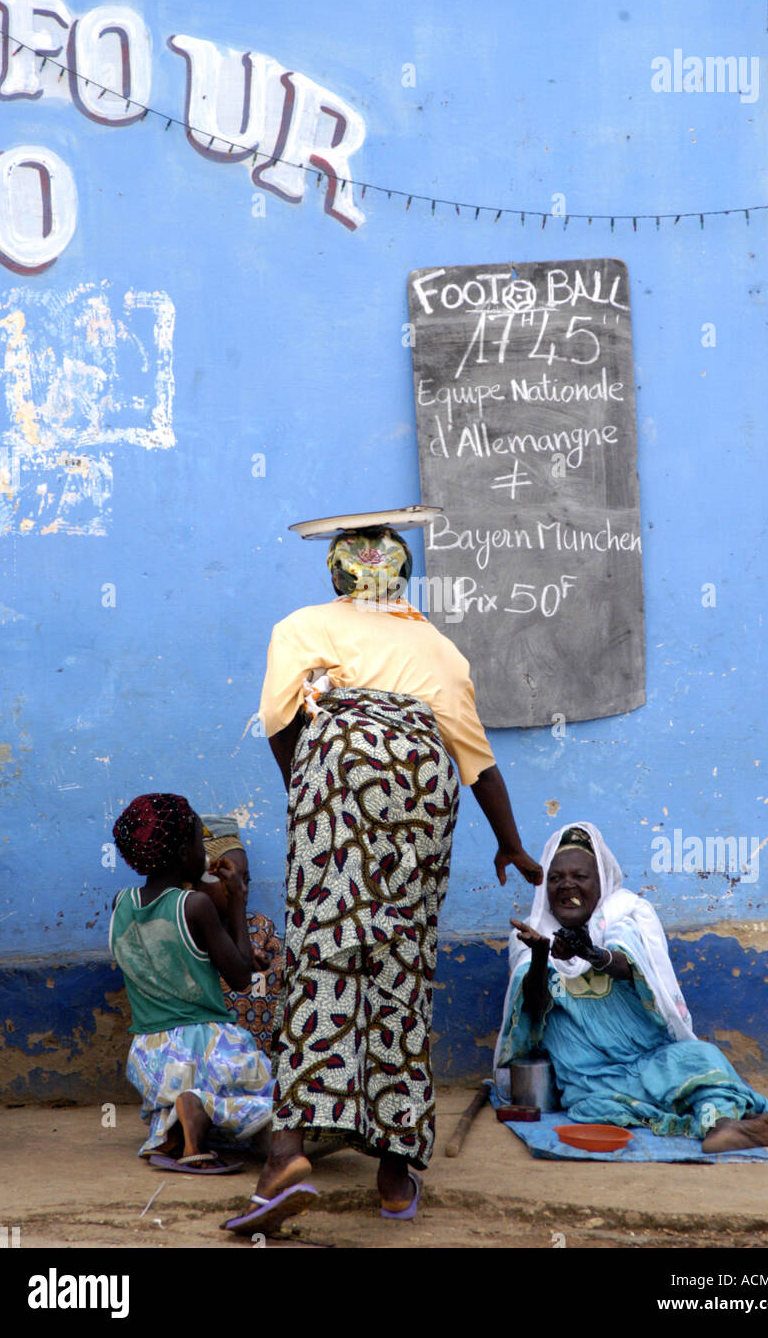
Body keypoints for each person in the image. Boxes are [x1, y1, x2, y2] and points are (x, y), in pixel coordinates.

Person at [223, 523, 541, 1235]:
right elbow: (476, 758)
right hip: (425, 786)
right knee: (401, 959)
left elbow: (280, 720)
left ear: (337, 578)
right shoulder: (437, 645)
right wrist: (512, 846)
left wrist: (305, 796)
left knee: (324, 956)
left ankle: (287, 1154)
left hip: (337, 774)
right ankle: (395, 1174)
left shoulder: (303, 626)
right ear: (400, 578)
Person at [497, 821, 768, 1151]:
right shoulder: (531, 933)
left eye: (579, 877)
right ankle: (743, 1124)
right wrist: (539, 956)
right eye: (557, 878)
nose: (567, 886)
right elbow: (532, 1009)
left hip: (647, 1062)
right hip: (590, 1080)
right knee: (603, 1105)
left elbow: (626, 964)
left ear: (600, 883)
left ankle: (724, 1126)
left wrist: (587, 951)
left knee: (703, 1058)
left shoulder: (623, 919)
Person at [109, 793, 275, 1172]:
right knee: (277, 1110)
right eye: (201, 839)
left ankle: (177, 1127)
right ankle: (199, 1108)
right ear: (186, 851)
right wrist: (237, 900)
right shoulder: (194, 906)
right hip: (208, 1049)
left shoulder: (121, 904)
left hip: (152, 1056)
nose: (205, 847)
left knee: (190, 1098)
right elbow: (240, 978)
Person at [198, 814, 283, 1058]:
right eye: (230, 881)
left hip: (257, 1053)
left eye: (246, 881)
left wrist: (266, 962)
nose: (241, 890)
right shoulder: (189, 927)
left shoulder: (260, 926)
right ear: (198, 882)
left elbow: (277, 962)